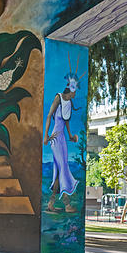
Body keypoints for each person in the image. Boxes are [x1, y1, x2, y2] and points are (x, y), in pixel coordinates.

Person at [43, 75, 80, 213]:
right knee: (63, 168)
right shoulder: (58, 97)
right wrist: (46, 135)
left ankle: (51, 203)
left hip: (63, 139)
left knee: (58, 172)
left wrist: (70, 135)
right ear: (70, 90)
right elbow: (48, 116)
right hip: (55, 139)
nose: (76, 94)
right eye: (75, 91)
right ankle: (67, 204)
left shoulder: (69, 103)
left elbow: (66, 121)